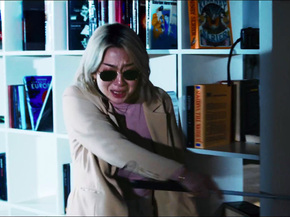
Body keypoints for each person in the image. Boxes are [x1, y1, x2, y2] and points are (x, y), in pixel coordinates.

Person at [62, 23, 221, 216]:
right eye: (108, 73)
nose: (119, 82)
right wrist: (183, 175)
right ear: (93, 71)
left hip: (149, 206)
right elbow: (113, 147)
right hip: (102, 208)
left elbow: (174, 155)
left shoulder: (158, 99)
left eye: (129, 73)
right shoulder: (76, 97)